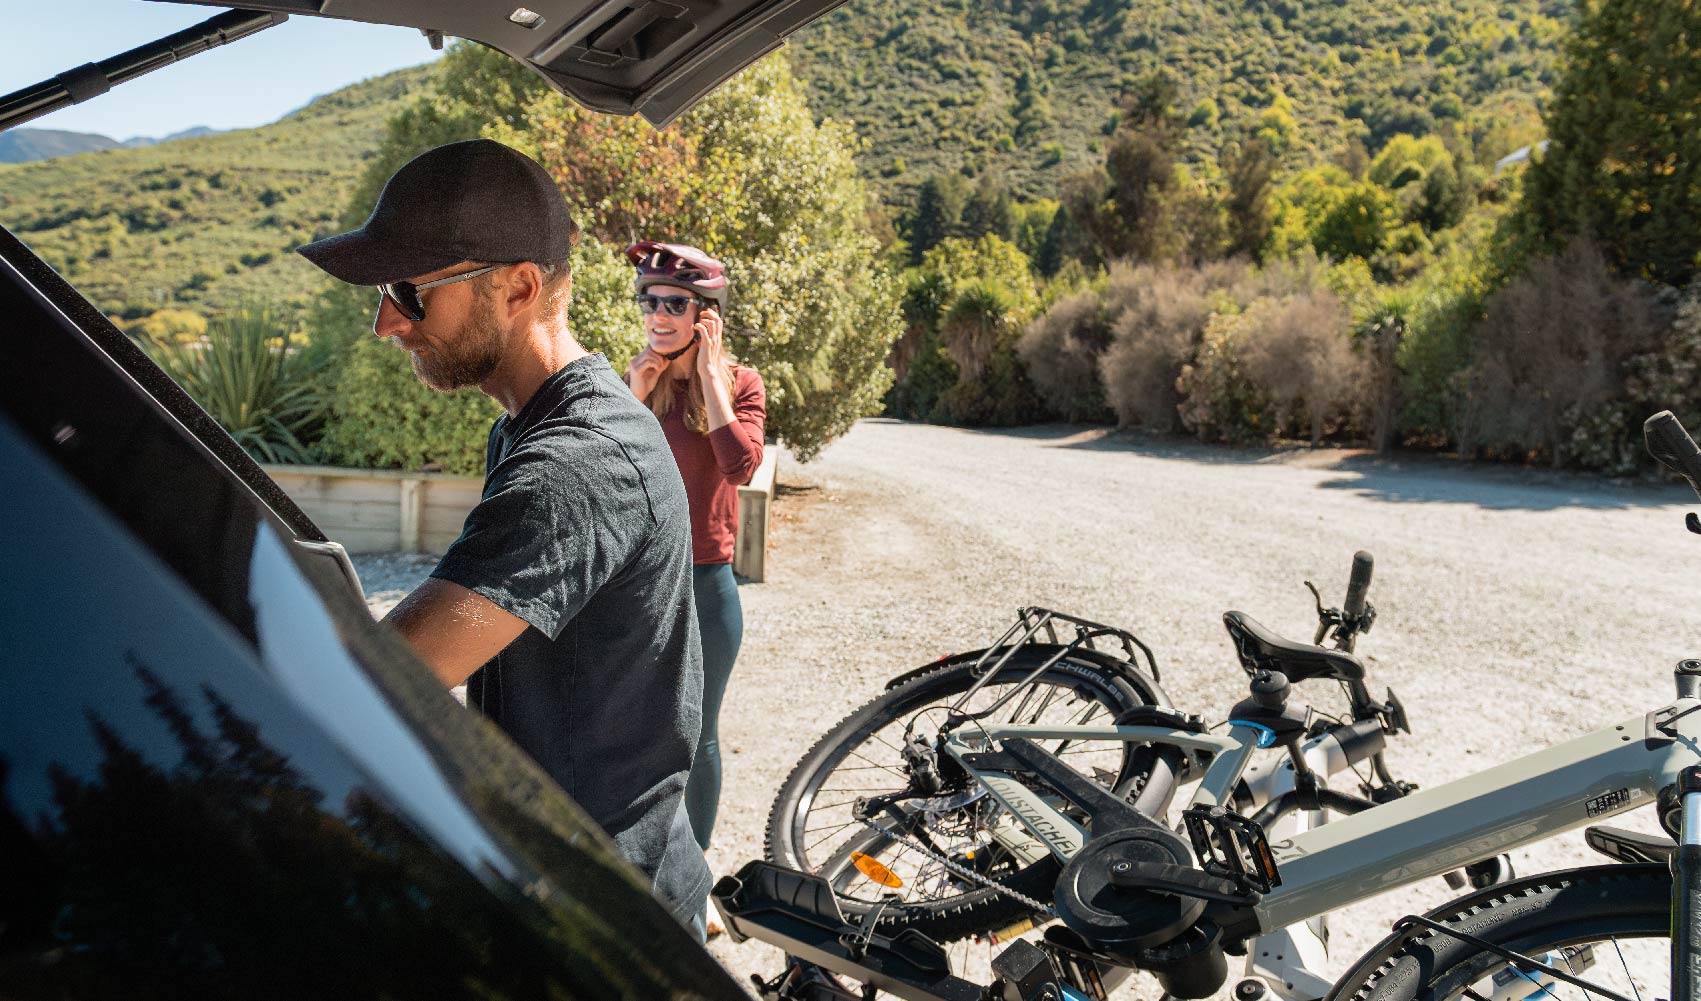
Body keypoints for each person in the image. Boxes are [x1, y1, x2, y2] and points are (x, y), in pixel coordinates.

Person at [294, 139, 712, 936]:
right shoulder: (531, 425)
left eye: (408, 291)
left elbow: (388, 681)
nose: (387, 323)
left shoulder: (577, 462)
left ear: (519, 287)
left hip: (605, 920)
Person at [621, 243, 765, 931]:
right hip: (637, 581)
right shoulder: (633, 382)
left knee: (697, 733)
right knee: (633, 730)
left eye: (673, 303)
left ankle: (694, 879)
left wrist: (708, 378)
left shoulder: (740, 384)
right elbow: (599, 469)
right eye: (648, 300)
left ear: (706, 316)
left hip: (707, 581)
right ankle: (634, 865)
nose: (656, 314)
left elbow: (738, 465)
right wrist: (633, 394)